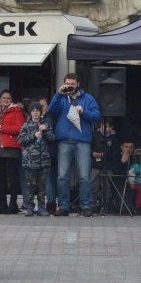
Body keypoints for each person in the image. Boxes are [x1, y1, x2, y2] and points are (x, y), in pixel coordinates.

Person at [47, 73, 101, 217]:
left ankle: (86, 205)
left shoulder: (88, 98)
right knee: (62, 176)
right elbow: (51, 111)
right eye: (68, 83)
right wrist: (58, 94)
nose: (70, 86)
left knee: (84, 176)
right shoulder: (62, 97)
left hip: (82, 140)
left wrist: (84, 111)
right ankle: (63, 206)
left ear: (78, 83)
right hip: (64, 140)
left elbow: (97, 116)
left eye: (72, 83)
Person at [0, 90, 25, 214]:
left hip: (11, 148)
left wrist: (2, 128)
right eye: (3, 98)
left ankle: (13, 204)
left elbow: (19, 128)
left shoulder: (17, 111)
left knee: (12, 177)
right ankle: (3, 203)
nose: (6, 100)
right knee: (0, 177)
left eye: (8, 98)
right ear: (0, 99)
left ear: (11, 99)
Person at [18, 102, 55, 217]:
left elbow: (53, 139)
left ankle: (41, 207)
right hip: (30, 161)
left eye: (37, 111)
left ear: (41, 112)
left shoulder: (46, 124)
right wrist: (34, 135)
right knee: (30, 185)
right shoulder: (26, 125)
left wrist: (46, 131)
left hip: (43, 161)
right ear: (30, 112)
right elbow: (21, 140)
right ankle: (29, 206)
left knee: (41, 185)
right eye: (33, 111)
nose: (35, 113)